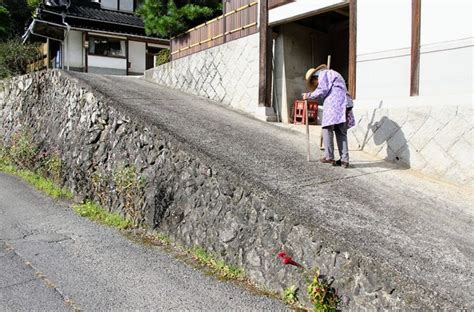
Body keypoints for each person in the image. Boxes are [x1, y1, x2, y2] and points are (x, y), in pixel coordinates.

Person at [303, 64, 355, 168]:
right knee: (341, 132)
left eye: (314, 83)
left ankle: (329, 156)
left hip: (335, 104)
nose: (316, 85)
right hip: (344, 103)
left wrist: (308, 95)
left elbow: (322, 90)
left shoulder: (323, 74)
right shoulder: (332, 73)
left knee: (327, 128)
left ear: (314, 78)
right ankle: (344, 160)